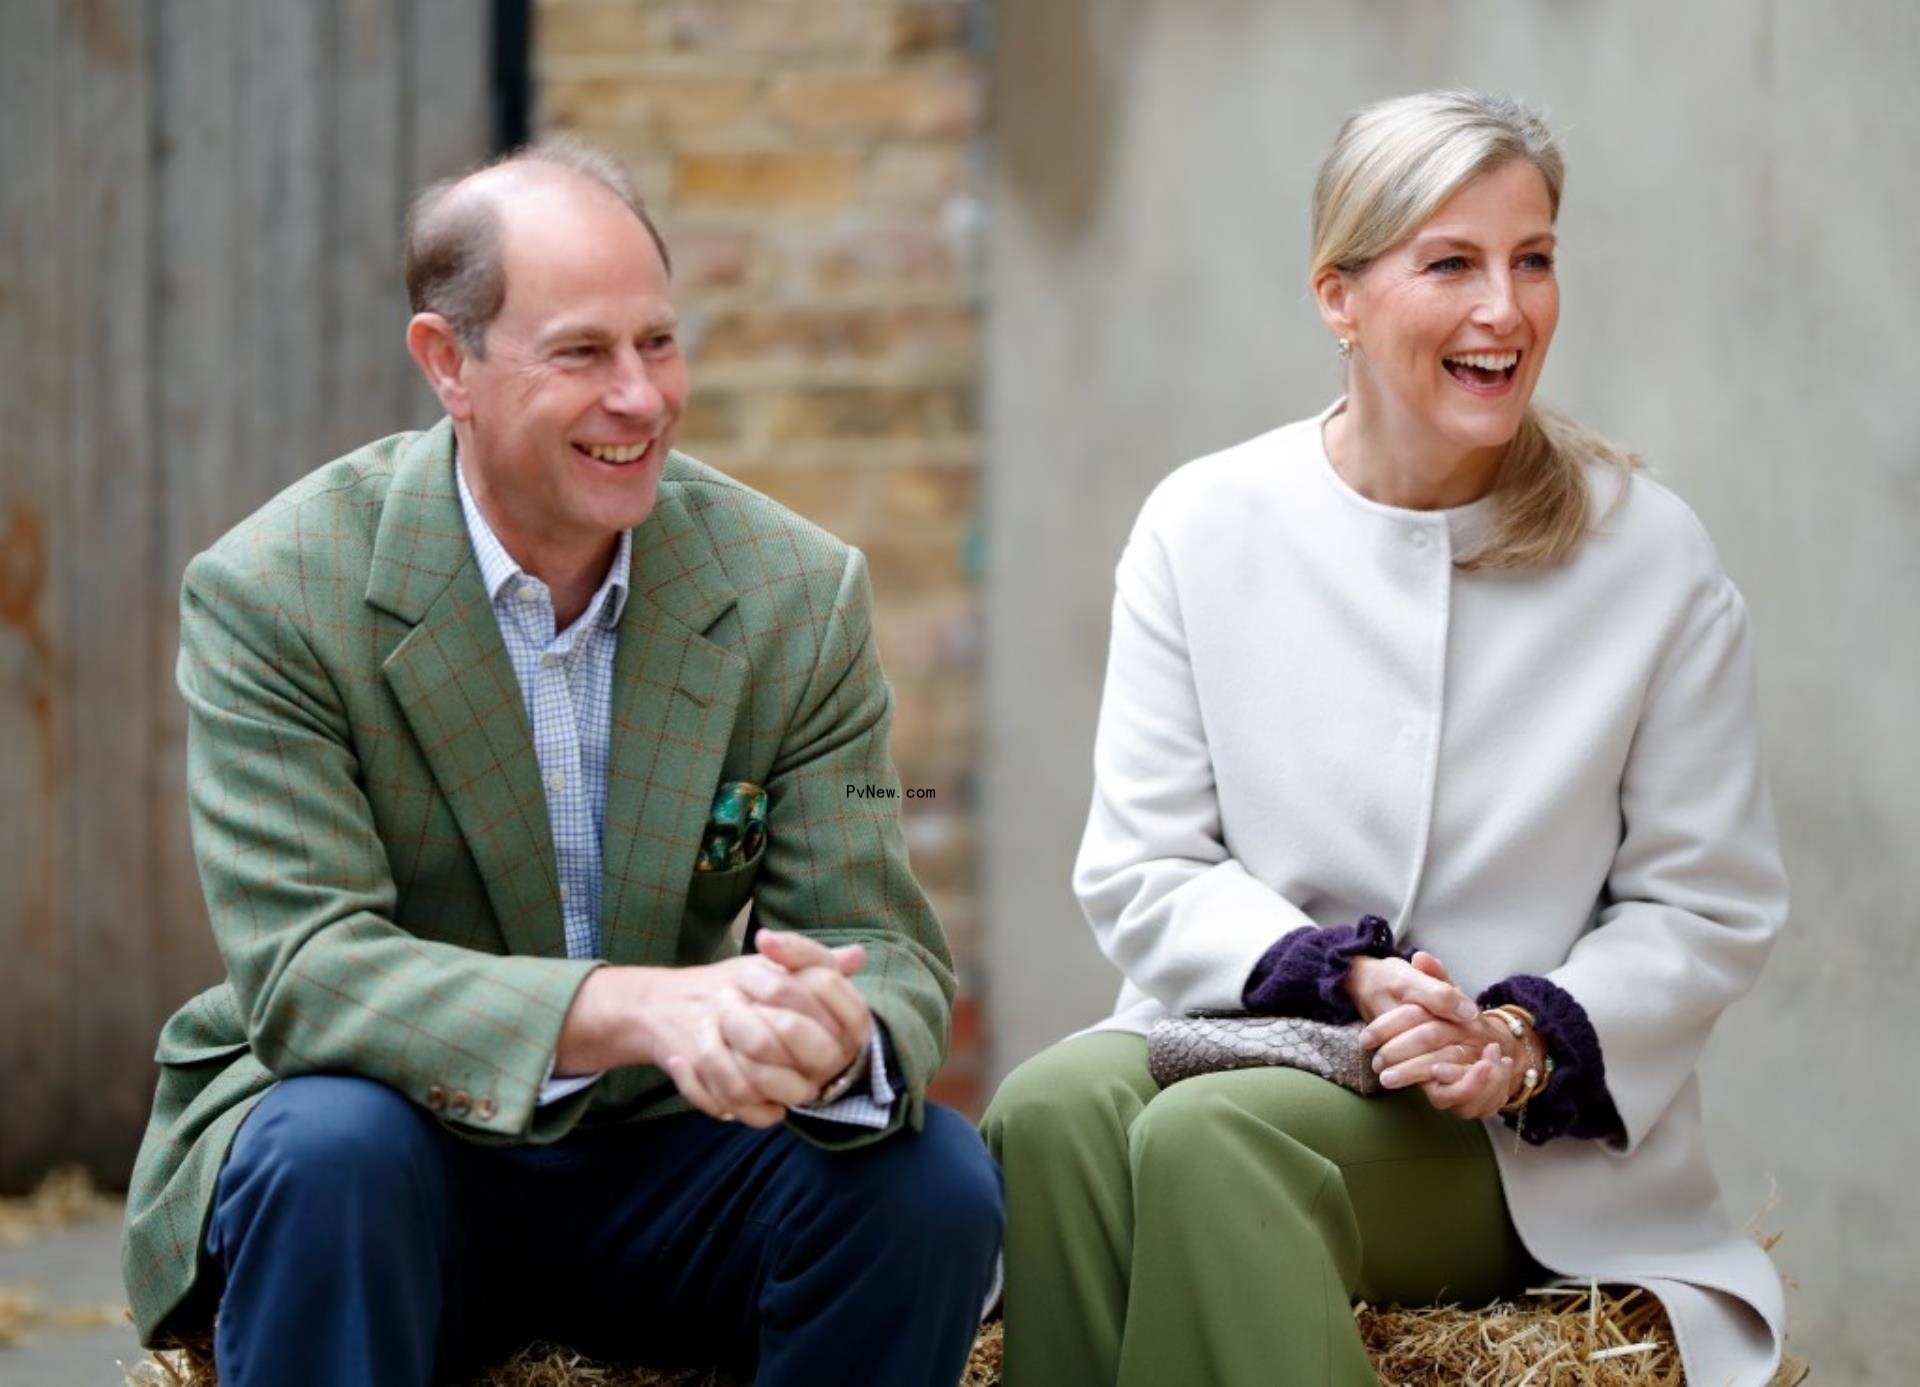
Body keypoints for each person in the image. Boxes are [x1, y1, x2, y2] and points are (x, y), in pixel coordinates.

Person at [120, 139, 1003, 1387]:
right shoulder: (275, 593)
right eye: (583, 353)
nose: (640, 397)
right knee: (329, 1149)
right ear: (448, 364)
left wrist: (833, 1036)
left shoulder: (798, 594)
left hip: (666, 1160)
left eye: (659, 342)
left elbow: (888, 943)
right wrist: (644, 1006)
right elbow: (308, 973)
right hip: (395, 1150)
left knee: (929, 1179)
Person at [982, 90, 1788, 1387]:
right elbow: (1143, 862)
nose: (1505, 309)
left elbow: (1708, 902)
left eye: (1533, 259)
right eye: (1452, 263)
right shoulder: (1204, 524)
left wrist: (1524, 1036)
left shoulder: (1651, 555)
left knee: (1214, 1142)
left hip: (1508, 1135)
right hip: (1251, 1025)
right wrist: (1335, 973)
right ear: (1338, 296)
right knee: (1048, 1111)